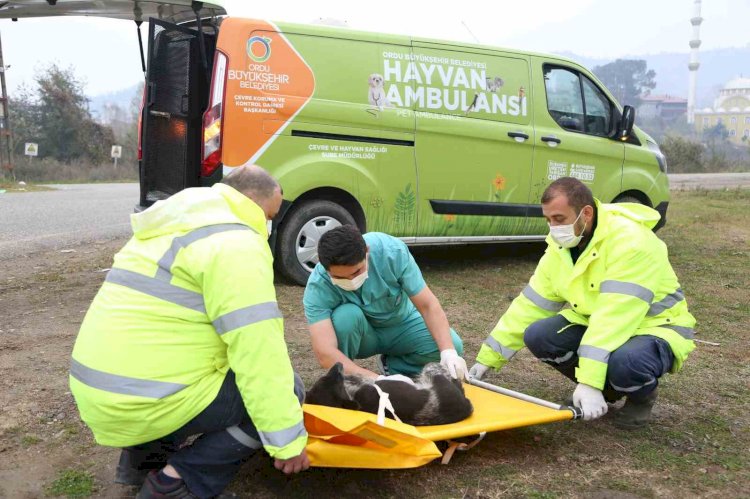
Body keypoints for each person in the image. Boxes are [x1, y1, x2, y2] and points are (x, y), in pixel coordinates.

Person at [69, 165, 309, 499]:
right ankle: (176, 483)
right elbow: (259, 355)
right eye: (271, 216)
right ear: (255, 205)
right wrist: (288, 443)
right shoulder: (236, 243)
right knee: (289, 390)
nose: (268, 226)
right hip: (146, 400)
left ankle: (140, 464)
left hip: (99, 391)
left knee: (187, 368)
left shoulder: (173, 225)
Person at [469, 177, 696, 428]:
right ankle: (608, 391)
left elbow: (614, 317)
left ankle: (641, 397)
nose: (553, 228)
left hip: (654, 327)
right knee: (539, 334)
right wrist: (485, 360)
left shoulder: (632, 242)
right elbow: (530, 305)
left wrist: (588, 381)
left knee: (627, 362)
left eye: (559, 219)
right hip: (597, 322)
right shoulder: (561, 248)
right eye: (548, 220)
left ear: (586, 213)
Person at [303, 225, 467, 382]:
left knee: (453, 345)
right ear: (324, 268)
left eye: (356, 272)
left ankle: (395, 367)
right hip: (363, 336)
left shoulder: (391, 252)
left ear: (367, 252)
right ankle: (347, 379)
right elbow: (325, 352)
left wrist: (448, 352)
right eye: (340, 278)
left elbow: (428, 306)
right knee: (346, 317)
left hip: (402, 324)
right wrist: (376, 380)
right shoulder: (318, 286)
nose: (351, 280)